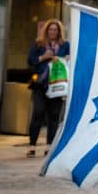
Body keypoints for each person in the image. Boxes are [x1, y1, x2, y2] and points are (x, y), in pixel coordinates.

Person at [26, 19, 70, 158]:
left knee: (54, 116)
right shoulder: (38, 44)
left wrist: (66, 58)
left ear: (59, 32)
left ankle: (49, 146)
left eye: (55, 30)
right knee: (37, 113)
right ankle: (32, 145)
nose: (53, 32)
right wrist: (43, 57)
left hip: (57, 85)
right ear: (46, 30)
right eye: (50, 29)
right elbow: (30, 61)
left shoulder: (65, 45)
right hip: (41, 84)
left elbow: (69, 60)